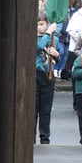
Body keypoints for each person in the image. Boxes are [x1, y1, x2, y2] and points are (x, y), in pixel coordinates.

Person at [35, 13, 61, 145]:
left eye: (42, 24)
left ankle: (45, 137)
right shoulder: (34, 38)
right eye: (37, 24)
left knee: (45, 110)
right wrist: (47, 34)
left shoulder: (53, 39)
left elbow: (57, 57)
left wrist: (57, 55)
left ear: (47, 23)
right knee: (33, 109)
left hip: (48, 74)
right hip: (35, 75)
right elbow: (38, 47)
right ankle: (31, 137)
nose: (40, 27)